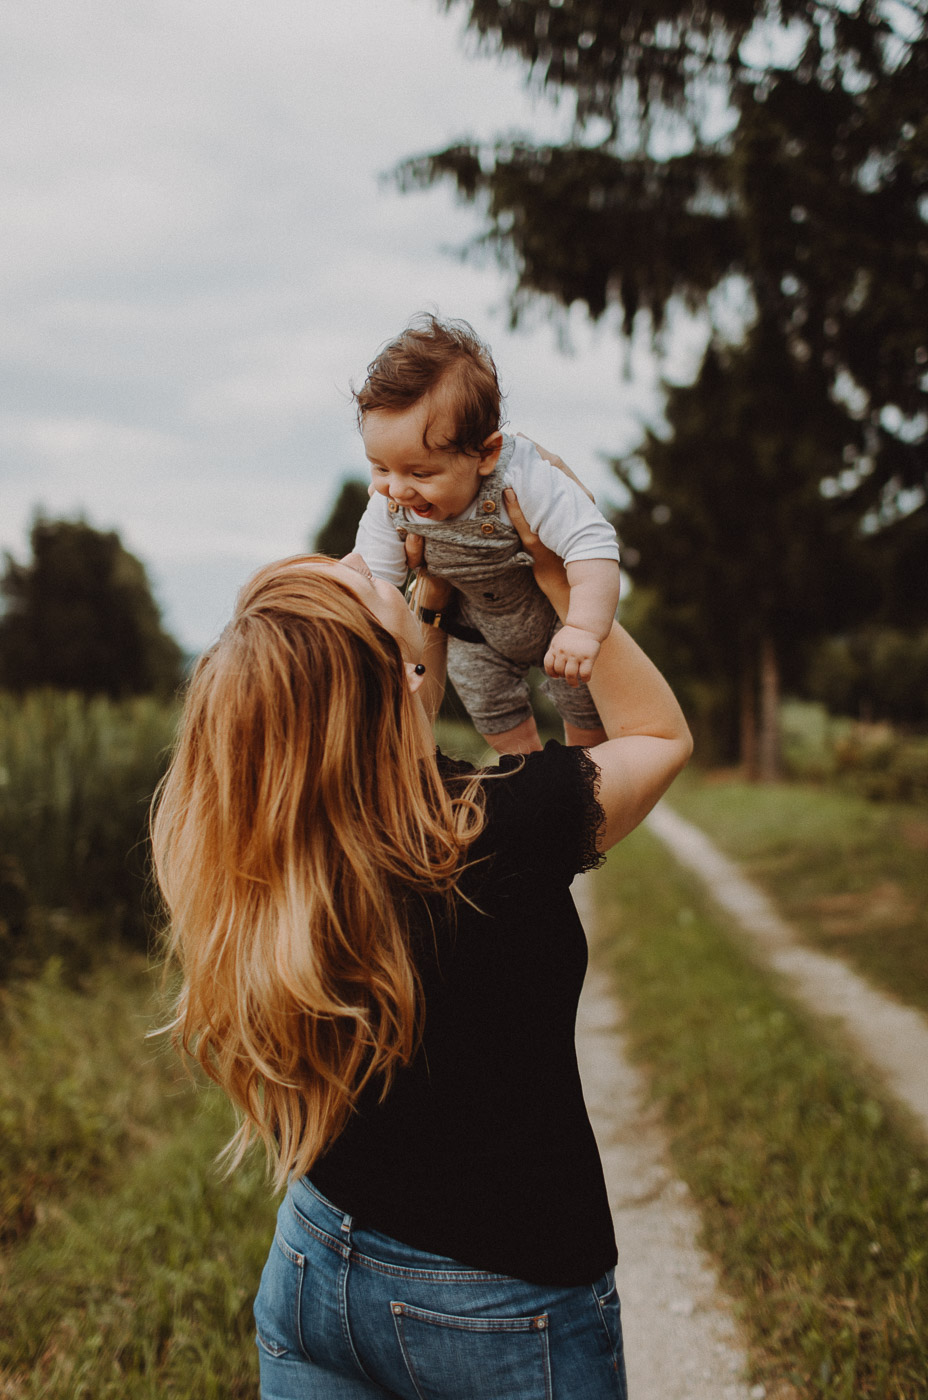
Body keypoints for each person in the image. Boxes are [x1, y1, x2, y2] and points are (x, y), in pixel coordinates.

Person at [150, 488, 692, 1400]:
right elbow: (660, 734)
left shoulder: (264, 857)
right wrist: (557, 575)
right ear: (381, 689)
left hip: (319, 1264)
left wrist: (430, 608)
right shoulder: (495, 833)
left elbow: (392, 718)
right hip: (501, 1304)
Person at [353, 313, 622, 754]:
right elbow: (377, 584)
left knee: (585, 700)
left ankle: (587, 770)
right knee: (488, 704)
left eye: (420, 472)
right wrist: (393, 653)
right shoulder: (389, 504)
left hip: (556, 615)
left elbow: (591, 543)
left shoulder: (524, 477)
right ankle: (525, 770)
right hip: (474, 627)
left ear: (486, 453)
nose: (397, 488)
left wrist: (583, 629)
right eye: (381, 468)